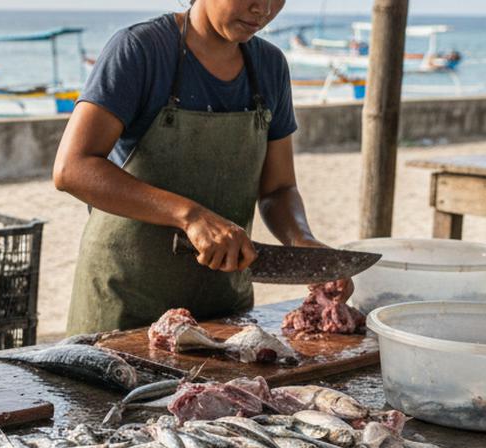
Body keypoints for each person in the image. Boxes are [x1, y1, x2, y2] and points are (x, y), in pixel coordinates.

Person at [55, 0, 350, 340]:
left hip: (221, 313)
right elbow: (72, 167)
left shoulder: (269, 66)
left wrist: (302, 241)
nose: (263, 9)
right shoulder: (141, 49)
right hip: (123, 309)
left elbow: (278, 188)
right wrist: (189, 215)